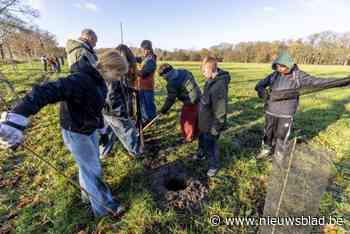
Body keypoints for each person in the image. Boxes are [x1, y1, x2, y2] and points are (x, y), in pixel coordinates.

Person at [0, 50, 128, 218]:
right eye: (118, 73)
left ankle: (88, 196)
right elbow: (46, 91)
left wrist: (103, 131)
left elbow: (96, 110)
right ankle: (105, 208)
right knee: (93, 169)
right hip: (75, 132)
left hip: (88, 128)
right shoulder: (81, 80)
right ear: (108, 67)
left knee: (89, 166)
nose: (118, 78)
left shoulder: (100, 83)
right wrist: (18, 116)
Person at [255, 51, 350, 160]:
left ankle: (279, 154)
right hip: (270, 110)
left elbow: (319, 82)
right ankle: (266, 149)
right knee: (268, 131)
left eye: (282, 66)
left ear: (289, 65)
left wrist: (344, 81)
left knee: (282, 133)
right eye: (277, 66)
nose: (280, 69)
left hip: (286, 112)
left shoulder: (299, 76)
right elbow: (259, 85)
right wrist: (262, 91)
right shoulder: (274, 75)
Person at [196, 56, 231, 177]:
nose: (203, 74)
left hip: (212, 124)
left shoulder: (219, 86)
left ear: (212, 69)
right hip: (205, 120)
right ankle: (202, 153)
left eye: (205, 71)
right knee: (203, 140)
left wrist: (216, 126)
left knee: (211, 145)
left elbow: (221, 109)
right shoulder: (210, 80)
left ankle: (214, 165)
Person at [158, 63, 202, 142]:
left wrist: (163, 110)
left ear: (165, 75)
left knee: (186, 120)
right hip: (199, 96)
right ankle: (197, 133)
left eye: (162, 76)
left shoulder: (172, 83)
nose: (163, 78)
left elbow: (170, 99)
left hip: (190, 102)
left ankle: (188, 137)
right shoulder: (183, 71)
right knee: (196, 116)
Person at [135, 40, 157, 125]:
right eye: (142, 50)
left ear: (149, 49)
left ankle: (152, 120)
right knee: (143, 105)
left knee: (149, 105)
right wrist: (129, 57)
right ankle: (145, 120)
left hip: (147, 87)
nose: (143, 51)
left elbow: (143, 73)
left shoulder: (151, 60)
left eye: (144, 50)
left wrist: (134, 70)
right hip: (141, 86)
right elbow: (138, 59)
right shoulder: (146, 58)